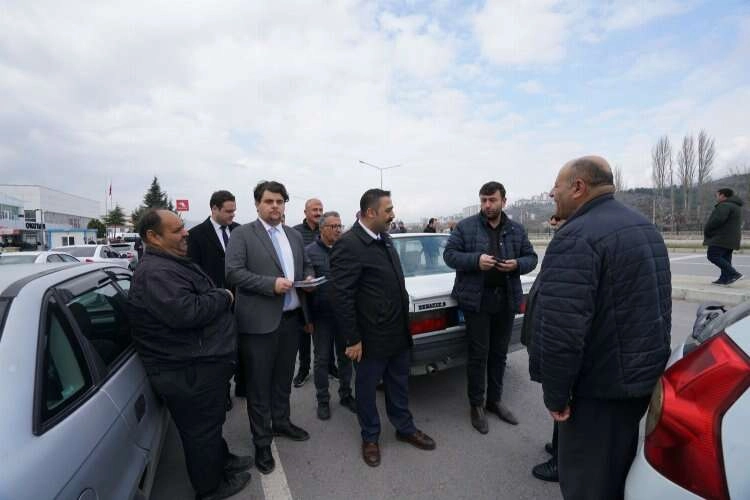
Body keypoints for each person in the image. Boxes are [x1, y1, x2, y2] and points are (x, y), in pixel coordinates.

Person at [528, 156, 671, 499]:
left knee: (588, 484)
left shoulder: (576, 236)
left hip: (598, 389)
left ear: (578, 187)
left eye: (556, 187)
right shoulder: (643, 226)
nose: (552, 194)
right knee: (615, 470)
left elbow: (562, 331)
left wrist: (556, 394)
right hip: (636, 381)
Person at [127, 209, 251, 500]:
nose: (186, 233)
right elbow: (187, 311)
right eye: (177, 230)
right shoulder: (156, 273)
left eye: (183, 227)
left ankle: (221, 462)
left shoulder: (167, 263)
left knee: (209, 426)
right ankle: (210, 488)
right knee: (201, 432)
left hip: (197, 365)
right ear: (153, 237)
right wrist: (223, 296)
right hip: (188, 370)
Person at [331, 188, 436, 467]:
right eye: (388, 210)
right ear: (370, 212)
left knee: (399, 383)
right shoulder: (348, 244)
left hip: (397, 331)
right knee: (367, 389)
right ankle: (370, 437)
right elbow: (341, 297)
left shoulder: (384, 238)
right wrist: (353, 339)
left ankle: (405, 428)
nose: (393, 214)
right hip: (369, 337)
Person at [225, 181, 314, 475]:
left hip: (290, 321)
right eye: (269, 201)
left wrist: (309, 278)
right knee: (259, 387)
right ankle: (262, 443)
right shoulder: (242, 234)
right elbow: (233, 272)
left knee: (283, 380)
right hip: (258, 325)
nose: (275, 206)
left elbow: (305, 266)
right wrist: (269, 284)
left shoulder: (293, 235)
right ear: (257, 204)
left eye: (279, 201)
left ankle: (282, 422)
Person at [444, 181, 537, 433]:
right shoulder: (465, 227)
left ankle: (495, 401)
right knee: (478, 354)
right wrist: (476, 260)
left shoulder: (516, 229)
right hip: (477, 300)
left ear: (503, 201)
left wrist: (517, 264)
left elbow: (531, 258)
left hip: (505, 299)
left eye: (492, 200)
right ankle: (476, 405)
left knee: (499, 354)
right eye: (483, 200)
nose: (487, 205)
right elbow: (449, 255)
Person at [188, 190, 242, 408]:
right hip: (214, 303)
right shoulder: (196, 235)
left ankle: (242, 383)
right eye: (228, 211)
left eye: (234, 210)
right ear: (214, 209)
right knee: (221, 351)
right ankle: (223, 391)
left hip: (242, 299)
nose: (232, 215)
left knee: (242, 345)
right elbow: (194, 271)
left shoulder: (239, 231)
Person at [522, 215, 564, 483]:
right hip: (553, 341)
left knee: (565, 404)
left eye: (558, 218)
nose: (553, 221)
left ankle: (562, 461)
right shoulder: (565, 240)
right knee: (564, 406)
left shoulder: (576, 242)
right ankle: (559, 447)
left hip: (563, 347)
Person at [305, 211, 356, 420]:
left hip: (344, 314)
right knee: (322, 359)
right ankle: (323, 400)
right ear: (322, 229)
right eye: (333, 226)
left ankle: (346, 394)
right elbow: (305, 285)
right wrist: (307, 319)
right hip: (321, 315)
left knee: (346, 357)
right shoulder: (309, 252)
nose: (337, 230)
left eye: (339, 226)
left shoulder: (347, 248)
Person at [291, 198, 329, 387]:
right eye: (314, 209)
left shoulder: (326, 230)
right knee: (304, 335)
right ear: (305, 212)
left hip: (323, 293)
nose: (318, 213)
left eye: (320, 209)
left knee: (326, 337)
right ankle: (304, 369)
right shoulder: (295, 232)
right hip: (303, 292)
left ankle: (330, 367)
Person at [704, 187, 744, 285]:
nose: (716, 197)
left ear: (722, 195)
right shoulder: (735, 206)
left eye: (717, 195)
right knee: (725, 258)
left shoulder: (724, 205)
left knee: (712, 255)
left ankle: (734, 273)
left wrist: (708, 228)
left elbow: (717, 220)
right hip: (731, 238)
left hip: (722, 238)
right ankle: (724, 279)